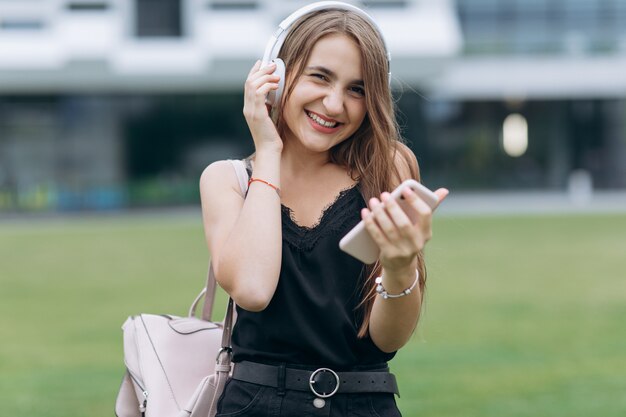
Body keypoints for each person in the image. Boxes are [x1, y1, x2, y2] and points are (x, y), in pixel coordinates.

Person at [200, 2, 449, 416]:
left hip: (364, 403)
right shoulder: (227, 180)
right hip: (255, 405)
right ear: (275, 75)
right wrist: (268, 150)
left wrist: (401, 264)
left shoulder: (387, 167)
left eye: (357, 89)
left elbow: (388, 339)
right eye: (320, 77)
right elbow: (254, 290)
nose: (334, 105)